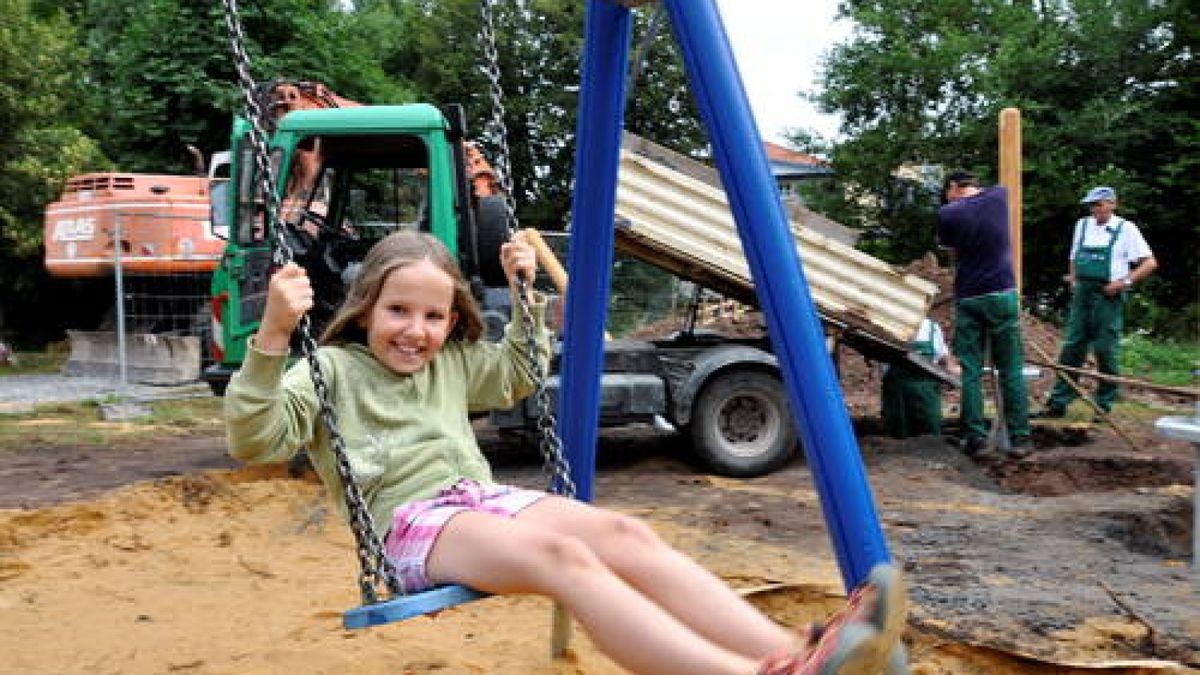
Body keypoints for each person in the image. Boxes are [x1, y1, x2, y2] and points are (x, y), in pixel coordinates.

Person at [224, 230, 908, 675]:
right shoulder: (334, 369)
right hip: (409, 527)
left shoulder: (454, 362)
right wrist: (275, 334)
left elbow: (518, 373)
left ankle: (801, 653)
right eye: (398, 310)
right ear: (366, 307)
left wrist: (524, 295)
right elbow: (254, 438)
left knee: (624, 531)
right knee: (566, 559)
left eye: (434, 316)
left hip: (480, 502)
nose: (416, 330)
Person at [937, 170, 1031, 459]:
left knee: (971, 370)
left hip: (970, 297)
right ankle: (1020, 439)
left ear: (954, 187)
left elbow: (949, 250)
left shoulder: (947, 214)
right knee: (1011, 369)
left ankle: (975, 437)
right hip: (1002, 293)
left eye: (948, 191)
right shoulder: (999, 196)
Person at [1040, 186, 1157, 417]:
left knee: (1104, 349)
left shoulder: (1126, 229)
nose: (1095, 210)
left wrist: (1124, 283)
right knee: (1072, 346)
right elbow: (1074, 256)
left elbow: (1150, 263)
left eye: (1100, 204)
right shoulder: (1082, 225)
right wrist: (1073, 279)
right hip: (1083, 293)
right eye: (1092, 205)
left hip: (1108, 294)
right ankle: (1059, 401)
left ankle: (1104, 404)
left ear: (1112, 204)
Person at [881, 317, 952, 439]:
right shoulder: (887, 325)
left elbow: (944, 357)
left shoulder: (932, 328)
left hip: (927, 395)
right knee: (899, 441)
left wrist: (951, 370)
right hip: (897, 396)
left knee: (932, 441)